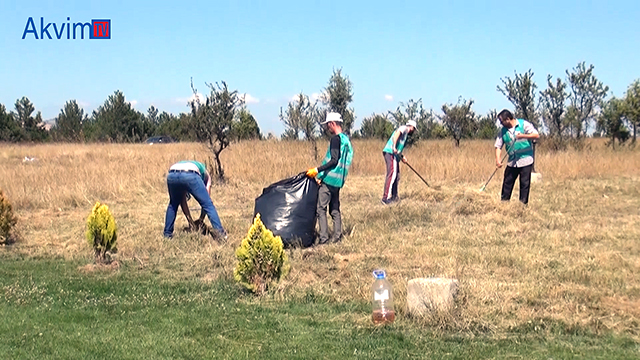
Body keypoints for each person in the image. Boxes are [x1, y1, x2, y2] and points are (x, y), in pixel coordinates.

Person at [306, 112, 354, 244]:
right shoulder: (346, 141)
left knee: (321, 209)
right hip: (338, 181)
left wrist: (317, 171)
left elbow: (333, 160)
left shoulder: (335, 140)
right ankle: (337, 237)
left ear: (332, 123)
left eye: (328, 125)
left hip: (329, 181)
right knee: (335, 209)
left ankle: (323, 238)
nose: (327, 128)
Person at [163, 160, 226, 239]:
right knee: (209, 205)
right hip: (190, 174)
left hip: (172, 174)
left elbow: (182, 201)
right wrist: (199, 220)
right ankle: (221, 234)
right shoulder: (206, 176)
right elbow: (207, 200)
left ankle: (167, 235)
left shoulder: (195, 168)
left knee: (173, 205)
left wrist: (193, 222)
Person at [494, 109, 539, 205]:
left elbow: (536, 135)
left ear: (508, 119)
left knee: (524, 184)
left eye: (502, 121)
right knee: (507, 183)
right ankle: (504, 204)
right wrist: (498, 159)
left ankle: (522, 206)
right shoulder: (503, 131)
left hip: (526, 160)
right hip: (512, 161)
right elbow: (498, 146)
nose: (501, 124)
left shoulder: (524, 124)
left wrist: (523, 136)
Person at [381, 120, 417, 205]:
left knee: (396, 175)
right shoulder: (404, 128)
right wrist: (393, 147)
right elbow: (396, 135)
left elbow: (399, 150)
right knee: (392, 173)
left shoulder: (405, 137)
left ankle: (394, 196)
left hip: (394, 155)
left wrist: (402, 157)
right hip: (390, 152)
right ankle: (385, 198)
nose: (414, 131)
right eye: (414, 129)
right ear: (411, 127)